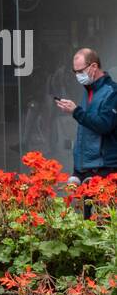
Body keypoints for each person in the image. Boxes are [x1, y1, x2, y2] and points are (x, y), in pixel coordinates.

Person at [55, 49, 117, 197]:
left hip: (105, 169)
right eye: (74, 71)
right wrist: (77, 171)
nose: (77, 76)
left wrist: (76, 111)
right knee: (87, 218)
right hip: (87, 170)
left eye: (80, 71)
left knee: (105, 217)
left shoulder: (112, 92)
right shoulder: (89, 91)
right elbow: (84, 133)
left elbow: (104, 125)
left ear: (93, 67)